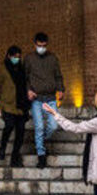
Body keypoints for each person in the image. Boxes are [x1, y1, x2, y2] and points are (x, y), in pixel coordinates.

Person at [23, 33, 64, 169]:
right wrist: (28, 90)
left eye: (44, 46)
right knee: (39, 126)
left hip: (51, 98)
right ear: (35, 44)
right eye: (39, 46)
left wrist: (61, 89)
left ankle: (40, 141)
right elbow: (24, 77)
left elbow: (58, 75)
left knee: (53, 126)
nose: (42, 48)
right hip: (36, 99)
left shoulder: (53, 58)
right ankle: (41, 155)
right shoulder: (29, 58)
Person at [0, 45, 28, 167]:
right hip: (7, 104)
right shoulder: (1, 68)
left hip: (21, 105)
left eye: (18, 57)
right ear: (8, 56)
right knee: (9, 125)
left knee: (21, 131)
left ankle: (15, 156)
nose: (16, 59)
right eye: (14, 56)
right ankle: (2, 147)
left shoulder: (22, 69)